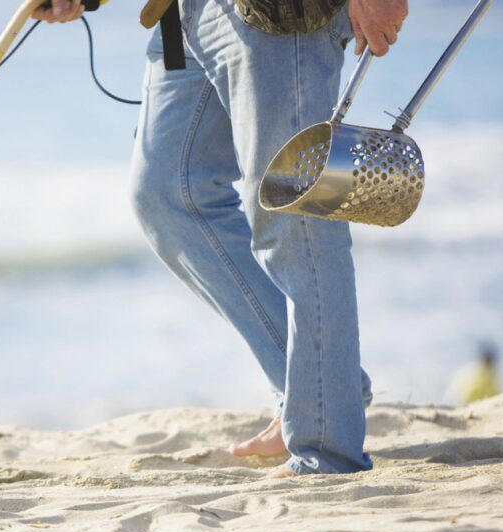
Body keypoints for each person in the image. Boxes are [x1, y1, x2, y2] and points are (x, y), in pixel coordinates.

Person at [36, 0, 408, 476]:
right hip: (185, 12)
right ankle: (316, 392)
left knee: (298, 219)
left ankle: (327, 449)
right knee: (165, 193)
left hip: (279, 16)